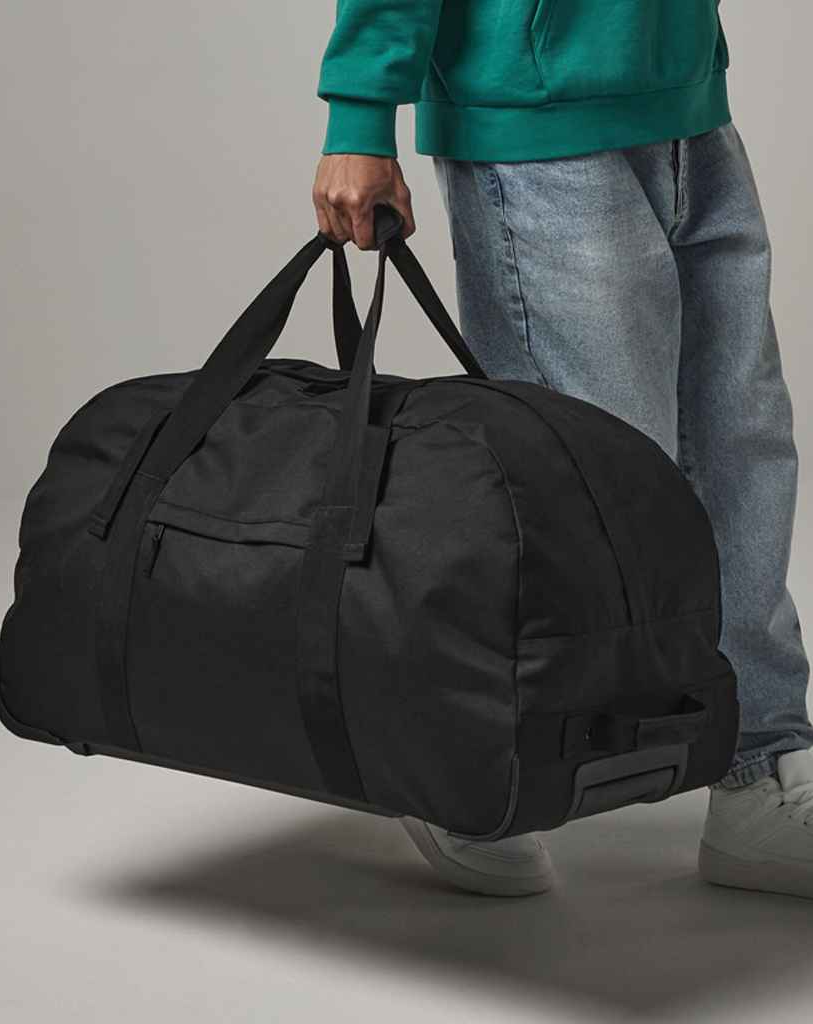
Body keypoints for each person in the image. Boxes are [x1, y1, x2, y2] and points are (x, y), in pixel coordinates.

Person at [312, 0, 813, 899]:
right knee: (586, 477)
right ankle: (470, 765)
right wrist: (360, 115)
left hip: (684, 97)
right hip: (537, 112)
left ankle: (758, 762)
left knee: (740, 444)